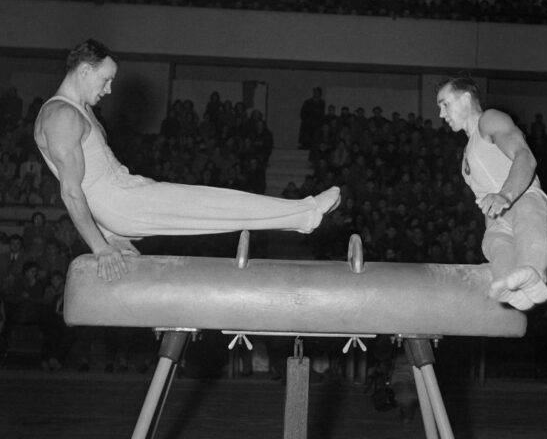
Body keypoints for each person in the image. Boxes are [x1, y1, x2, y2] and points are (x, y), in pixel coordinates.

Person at [33, 40, 340, 282]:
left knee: (215, 205)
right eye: (105, 80)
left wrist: (113, 236)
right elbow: (72, 191)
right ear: (84, 70)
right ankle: (307, 213)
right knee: (215, 204)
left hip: (122, 199)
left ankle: (303, 217)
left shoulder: (76, 110)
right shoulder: (62, 116)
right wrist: (100, 247)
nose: (109, 89)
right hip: (120, 202)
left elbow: (87, 185)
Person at [435, 76, 547, 311]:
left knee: (525, 213)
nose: (441, 114)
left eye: (445, 104)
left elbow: (526, 158)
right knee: (492, 242)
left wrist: (506, 196)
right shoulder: (466, 159)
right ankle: (512, 286)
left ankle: (534, 270)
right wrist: (493, 227)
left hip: (528, 204)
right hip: (504, 220)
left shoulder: (490, 120)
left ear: (466, 98)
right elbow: (489, 206)